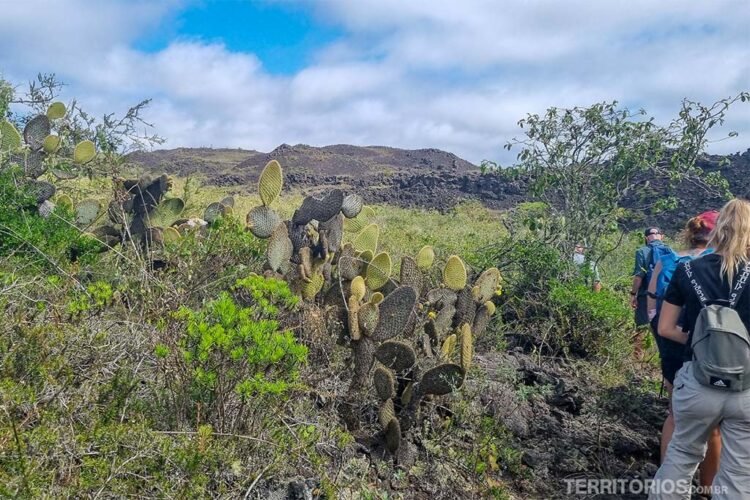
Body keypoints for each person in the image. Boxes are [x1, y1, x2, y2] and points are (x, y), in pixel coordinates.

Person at [650, 199, 750, 499]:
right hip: (745, 388)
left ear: (718, 230)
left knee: (681, 457)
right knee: (739, 473)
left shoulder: (688, 270)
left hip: (697, 383)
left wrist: (703, 344)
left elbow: (666, 328)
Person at [645, 211, 720, 491]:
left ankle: (669, 484)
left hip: (670, 339)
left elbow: (652, 304)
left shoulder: (667, 260)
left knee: (675, 413)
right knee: (712, 422)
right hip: (707, 345)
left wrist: (662, 333)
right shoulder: (719, 263)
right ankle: (708, 487)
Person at [630, 227, 667, 357]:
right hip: (667, 297)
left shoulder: (642, 251)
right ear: (662, 237)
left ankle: (638, 358)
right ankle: (664, 357)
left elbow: (638, 276)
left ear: (646, 238)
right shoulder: (671, 252)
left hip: (645, 296)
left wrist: (633, 294)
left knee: (642, 327)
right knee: (664, 328)